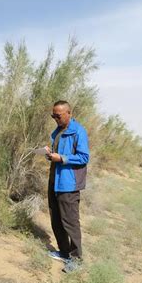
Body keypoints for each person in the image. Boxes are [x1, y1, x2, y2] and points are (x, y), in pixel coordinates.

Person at [45, 100, 89, 273]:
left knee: (70, 222)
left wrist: (62, 158)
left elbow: (84, 157)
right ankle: (64, 252)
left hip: (68, 184)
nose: (55, 118)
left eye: (58, 115)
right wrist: (49, 154)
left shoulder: (78, 131)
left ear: (69, 113)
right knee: (56, 219)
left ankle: (77, 260)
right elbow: (57, 154)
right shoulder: (57, 131)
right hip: (54, 182)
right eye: (53, 116)